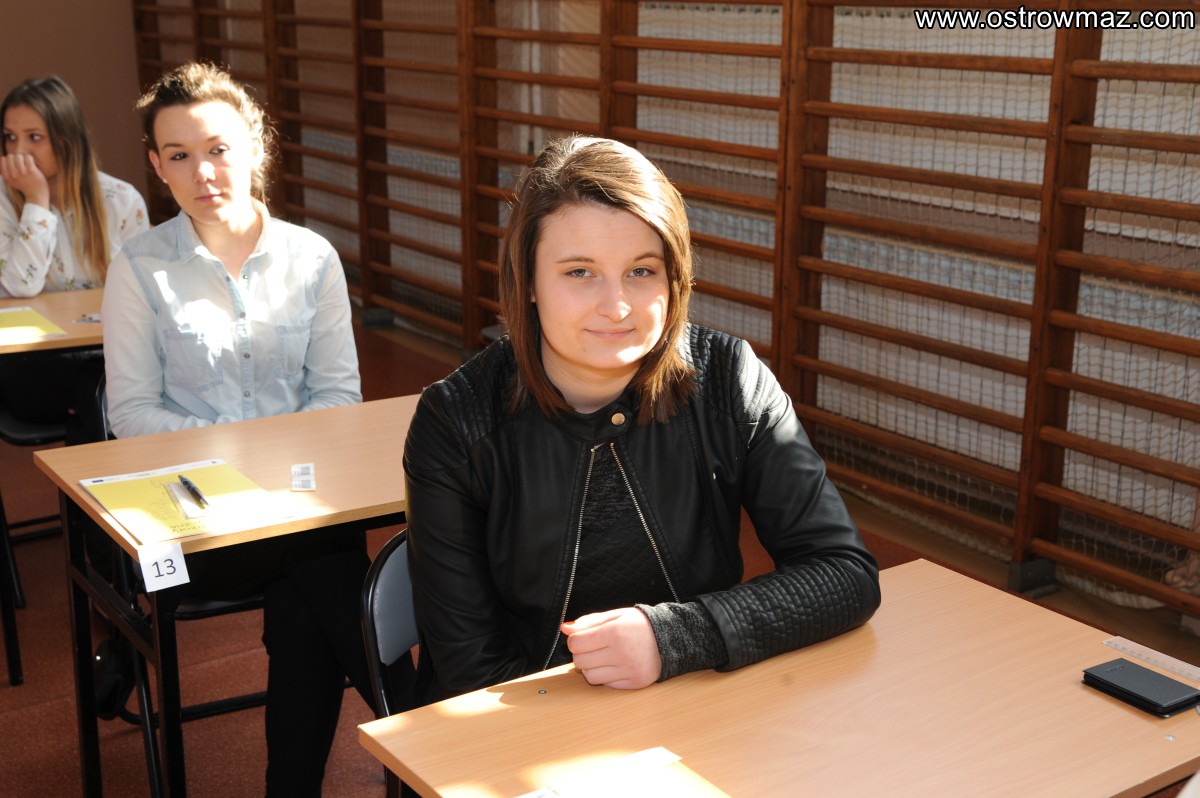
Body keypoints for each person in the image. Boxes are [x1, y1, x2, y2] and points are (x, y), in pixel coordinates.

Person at [403, 135, 882, 700]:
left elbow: (843, 572)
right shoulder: (455, 421)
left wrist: (676, 637)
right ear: (527, 281)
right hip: (524, 725)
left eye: (641, 271)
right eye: (579, 272)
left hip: (692, 700)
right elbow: (471, 673)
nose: (617, 307)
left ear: (674, 278)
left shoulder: (728, 379)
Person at [100, 62, 372, 797]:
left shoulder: (311, 259)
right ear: (157, 166)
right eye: (179, 155)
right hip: (199, 519)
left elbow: (339, 397)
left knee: (306, 594)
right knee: (327, 566)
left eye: (218, 149)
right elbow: (131, 415)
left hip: (298, 506)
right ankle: (415, 714)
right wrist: (245, 460)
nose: (203, 172)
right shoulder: (139, 268)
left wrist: (278, 481)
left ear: (254, 146)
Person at [0, 75, 148, 427]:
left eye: (35, 137)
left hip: (108, 350)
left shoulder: (120, 200)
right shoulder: (3, 201)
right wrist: (36, 201)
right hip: (31, 360)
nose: (19, 151)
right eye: (10, 137)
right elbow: (20, 285)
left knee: (107, 387)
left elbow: (144, 296)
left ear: (66, 140)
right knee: (96, 394)